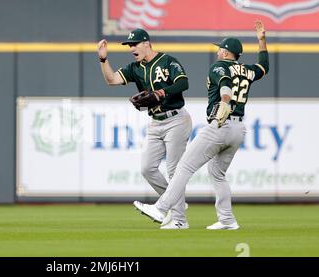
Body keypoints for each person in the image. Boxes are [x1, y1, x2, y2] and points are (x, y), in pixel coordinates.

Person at [134, 21, 269, 229]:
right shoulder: (247, 70)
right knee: (217, 174)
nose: (218, 52)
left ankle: (161, 209)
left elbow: (225, 82)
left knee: (183, 167)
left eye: (220, 49)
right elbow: (264, 67)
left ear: (226, 52)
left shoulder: (219, 66)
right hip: (238, 129)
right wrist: (262, 42)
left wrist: (225, 100)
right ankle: (227, 220)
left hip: (220, 125)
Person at [97, 28, 192, 221]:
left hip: (176, 119)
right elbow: (111, 79)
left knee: (174, 171)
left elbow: (183, 83)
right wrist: (103, 60)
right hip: (155, 123)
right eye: (129, 45)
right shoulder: (135, 68)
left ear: (146, 43)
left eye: (135, 44)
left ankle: (179, 220)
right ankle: (176, 201)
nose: (131, 48)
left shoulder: (167, 61)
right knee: (147, 168)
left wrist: (161, 93)